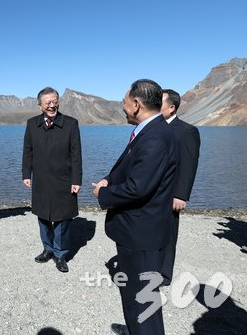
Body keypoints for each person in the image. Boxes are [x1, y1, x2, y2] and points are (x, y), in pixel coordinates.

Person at [92, 79, 178, 335]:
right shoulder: (152, 130)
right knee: (136, 298)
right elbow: (134, 167)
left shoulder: (156, 137)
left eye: (124, 101)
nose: (122, 106)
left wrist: (103, 192)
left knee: (141, 300)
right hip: (140, 230)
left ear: (137, 104)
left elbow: (139, 188)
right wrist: (111, 178)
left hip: (141, 233)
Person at [22, 87, 82, 273]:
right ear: (40, 105)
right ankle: (48, 249)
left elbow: (76, 154)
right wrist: (26, 174)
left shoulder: (71, 124)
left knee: (63, 218)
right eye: (47, 102)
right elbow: (28, 151)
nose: (52, 105)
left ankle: (60, 254)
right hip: (41, 179)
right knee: (43, 215)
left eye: (55, 101)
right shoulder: (32, 124)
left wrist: (76, 179)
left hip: (64, 179)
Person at [160, 89, 201, 286]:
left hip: (171, 194)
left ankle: (164, 275)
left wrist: (181, 195)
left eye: (158, 103)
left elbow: (189, 165)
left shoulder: (187, 131)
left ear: (171, 107)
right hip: (151, 192)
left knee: (168, 233)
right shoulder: (152, 128)